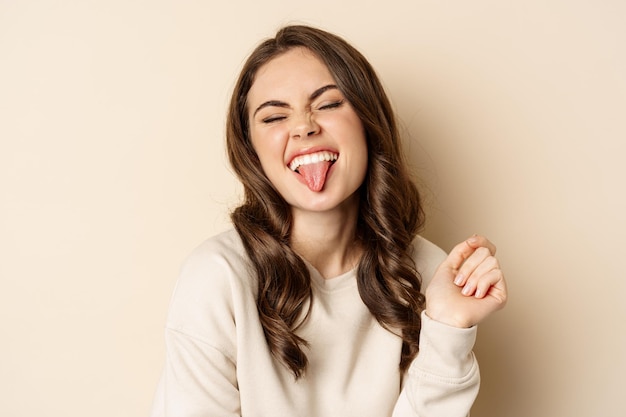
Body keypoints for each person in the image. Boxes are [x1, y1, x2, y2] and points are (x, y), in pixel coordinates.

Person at [150, 24, 507, 417]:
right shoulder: (218, 277)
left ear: (369, 123)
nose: (304, 126)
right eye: (273, 117)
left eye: (329, 104)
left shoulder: (426, 272)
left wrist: (448, 327)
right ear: (252, 151)